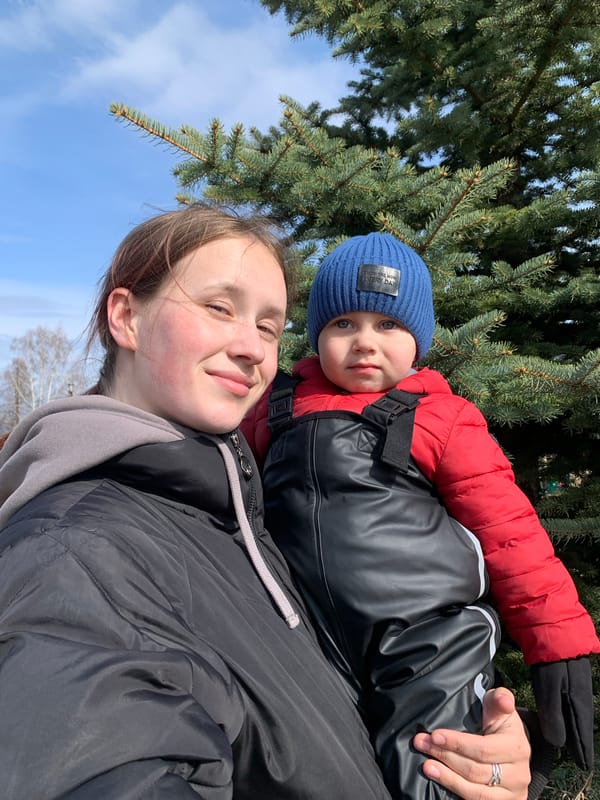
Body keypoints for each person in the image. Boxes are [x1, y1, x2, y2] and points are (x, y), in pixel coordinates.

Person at [0, 206, 533, 799]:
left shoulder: (237, 518)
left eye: (269, 327)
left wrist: (476, 765)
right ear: (127, 317)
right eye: (219, 307)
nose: (252, 348)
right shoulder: (72, 554)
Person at [242, 231, 599, 799]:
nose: (364, 343)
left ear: (419, 339)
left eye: (387, 326)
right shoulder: (273, 410)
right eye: (343, 325)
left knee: (434, 767)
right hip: (307, 636)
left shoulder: (442, 417)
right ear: (316, 335)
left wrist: (557, 639)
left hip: (427, 642)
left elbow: (509, 533)